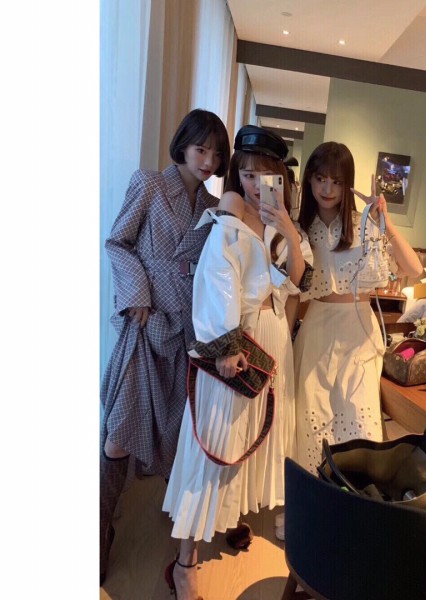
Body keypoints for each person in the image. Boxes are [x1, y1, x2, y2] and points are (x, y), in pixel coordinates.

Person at [162, 125, 313, 600]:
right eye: (247, 174)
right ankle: (184, 563)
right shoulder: (228, 215)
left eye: (266, 175)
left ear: (281, 178)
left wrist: (288, 229)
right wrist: (226, 346)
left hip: (274, 343)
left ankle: (229, 517)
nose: (254, 184)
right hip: (238, 341)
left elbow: (298, 281)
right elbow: (215, 279)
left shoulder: (281, 224)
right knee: (216, 440)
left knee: (253, 437)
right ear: (236, 175)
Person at [100, 109, 230, 585]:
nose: (208, 160)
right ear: (183, 145)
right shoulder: (150, 184)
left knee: (174, 434)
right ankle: (97, 530)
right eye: (201, 149)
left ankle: (178, 524)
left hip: (184, 334)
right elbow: (118, 242)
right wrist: (137, 294)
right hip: (146, 323)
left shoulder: (213, 207)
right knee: (118, 433)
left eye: (216, 153)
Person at [293, 141, 423, 474]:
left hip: (359, 331)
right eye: (320, 179)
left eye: (336, 181)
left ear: (347, 184)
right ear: (309, 179)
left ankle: (355, 496)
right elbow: (291, 292)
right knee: (311, 420)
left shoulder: (364, 224)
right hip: (316, 329)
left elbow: (413, 269)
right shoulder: (298, 228)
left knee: (360, 421)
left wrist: (385, 221)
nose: (327, 189)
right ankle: (313, 496)